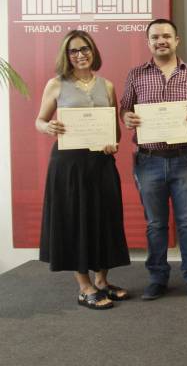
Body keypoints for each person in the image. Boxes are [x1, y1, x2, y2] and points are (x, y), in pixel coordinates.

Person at [36, 30, 130, 309]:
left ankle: (102, 281)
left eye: (85, 49)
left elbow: (115, 132)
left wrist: (113, 144)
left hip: (100, 164)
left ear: (93, 51)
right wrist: (48, 127)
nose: (80, 55)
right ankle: (84, 286)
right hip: (68, 166)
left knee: (105, 218)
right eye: (73, 51)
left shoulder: (108, 86)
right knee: (75, 220)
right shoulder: (56, 85)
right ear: (66, 56)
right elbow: (39, 121)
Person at [120, 18, 187, 300]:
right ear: (149, 42)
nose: (161, 41)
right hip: (149, 160)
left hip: (184, 158)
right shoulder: (135, 74)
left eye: (166, 36)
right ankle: (157, 278)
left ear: (176, 40)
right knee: (155, 224)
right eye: (155, 37)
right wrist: (128, 118)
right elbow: (124, 110)